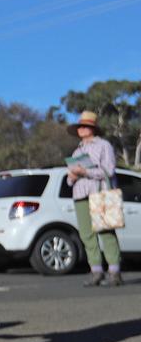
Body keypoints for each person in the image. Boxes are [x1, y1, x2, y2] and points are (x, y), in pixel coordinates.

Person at [67, 111, 122, 287]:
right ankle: (96, 271)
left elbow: (109, 170)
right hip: (80, 194)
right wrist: (73, 176)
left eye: (85, 126)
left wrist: (86, 172)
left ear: (93, 128)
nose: (81, 129)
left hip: (100, 192)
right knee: (86, 234)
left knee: (106, 230)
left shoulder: (103, 145)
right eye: (79, 127)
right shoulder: (77, 150)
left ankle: (114, 271)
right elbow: (69, 179)